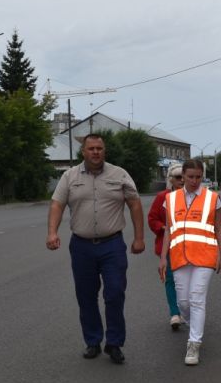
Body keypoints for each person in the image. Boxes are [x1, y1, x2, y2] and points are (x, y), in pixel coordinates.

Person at [46, 133, 146, 364]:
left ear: (104, 151)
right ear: (83, 151)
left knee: (115, 292)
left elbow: (134, 203)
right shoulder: (69, 176)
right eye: (91, 148)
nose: (95, 152)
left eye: (99, 148)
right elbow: (57, 204)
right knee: (86, 295)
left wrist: (139, 238)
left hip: (112, 244)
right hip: (81, 246)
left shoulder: (119, 174)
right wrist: (52, 233)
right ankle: (92, 341)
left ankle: (114, 343)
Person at [159, 159, 221, 365]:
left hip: (205, 256)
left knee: (197, 298)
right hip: (179, 257)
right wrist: (163, 257)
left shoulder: (212, 198)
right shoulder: (170, 200)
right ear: (183, 176)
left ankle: (194, 344)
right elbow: (169, 231)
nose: (194, 181)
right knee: (183, 303)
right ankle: (192, 324)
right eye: (190, 177)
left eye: (198, 177)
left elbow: (220, 229)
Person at [148, 164, 184, 331]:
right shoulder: (163, 197)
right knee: (170, 278)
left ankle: (186, 310)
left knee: (186, 280)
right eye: (178, 178)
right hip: (168, 245)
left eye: (184, 176)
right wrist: (163, 228)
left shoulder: (193, 197)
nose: (182, 180)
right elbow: (152, 218)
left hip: (189, 245)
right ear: (171, 179)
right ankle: (174, 313)